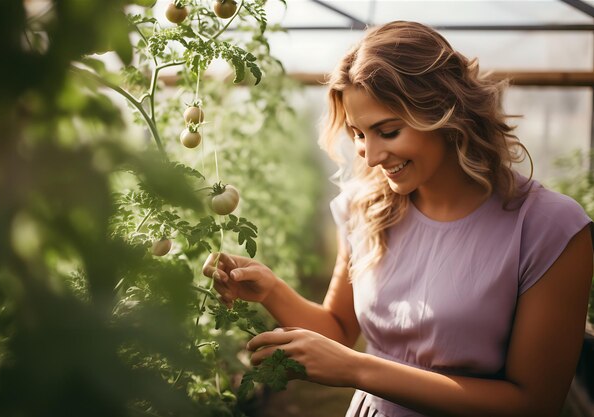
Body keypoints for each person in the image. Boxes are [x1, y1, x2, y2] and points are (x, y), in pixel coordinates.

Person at [202, 21, 593, 417]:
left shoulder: (548, 227)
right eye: (357, 134)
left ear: (445, 111)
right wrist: (272, 291)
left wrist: (358, 368)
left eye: (387, 131)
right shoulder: (367, 206)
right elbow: (339, 327)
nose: (370, 156)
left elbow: (533, 403)